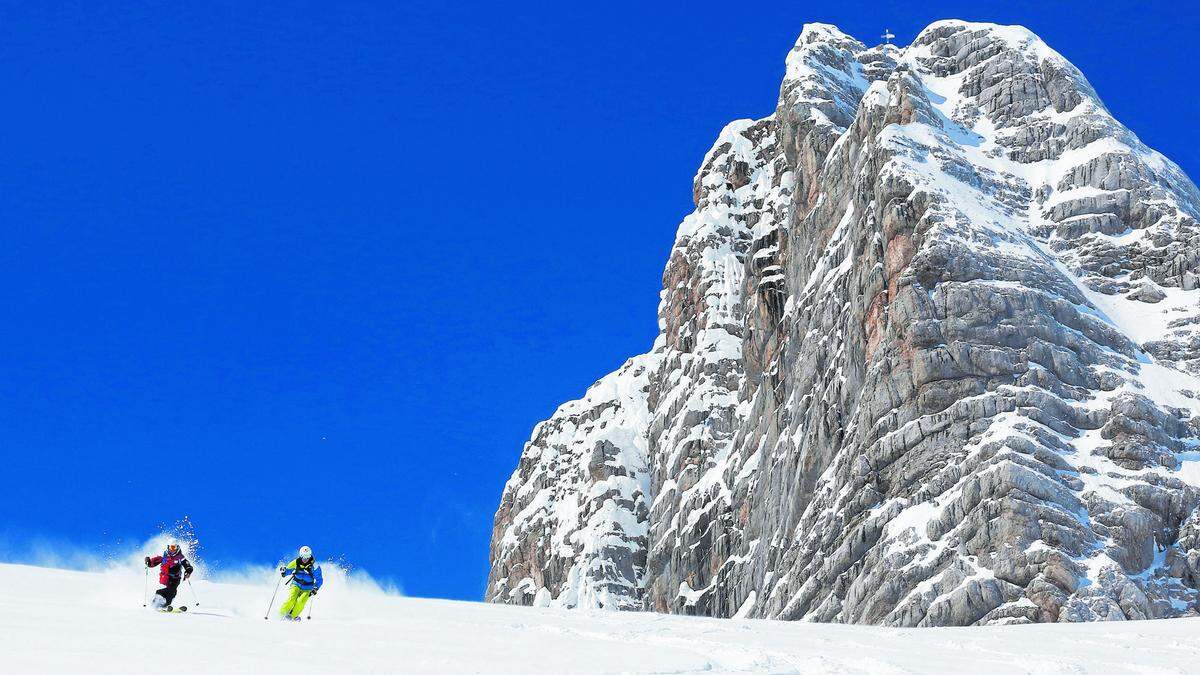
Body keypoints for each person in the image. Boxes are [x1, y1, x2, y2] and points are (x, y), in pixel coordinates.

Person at [279, 545, 323, 620]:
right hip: (296, 584)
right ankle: (280, 614)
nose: (305, 559)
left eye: (307, 556)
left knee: (301, 602)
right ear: (300, 555)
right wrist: (284, 572)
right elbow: (288, 569)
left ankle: (292, 616)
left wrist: (315, 588)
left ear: (310, 555)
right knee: (291, 599)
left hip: (307, 588)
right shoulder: (296, 562)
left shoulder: (314, 566)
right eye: (303, 556)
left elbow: (319, 579)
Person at [145, 542, 193, 610]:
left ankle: (164, 605)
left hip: (175, 579)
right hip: (165, 578)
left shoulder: (180, 557)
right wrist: (148, 561)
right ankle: (156, 603)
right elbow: (151, 564)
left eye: (174, 547)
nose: (172, 549)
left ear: (177, 548)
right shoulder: (164, 557)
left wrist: (188, 571)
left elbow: (188, 566)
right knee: (169, 591)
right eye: (170, 547)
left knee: (172, 593)